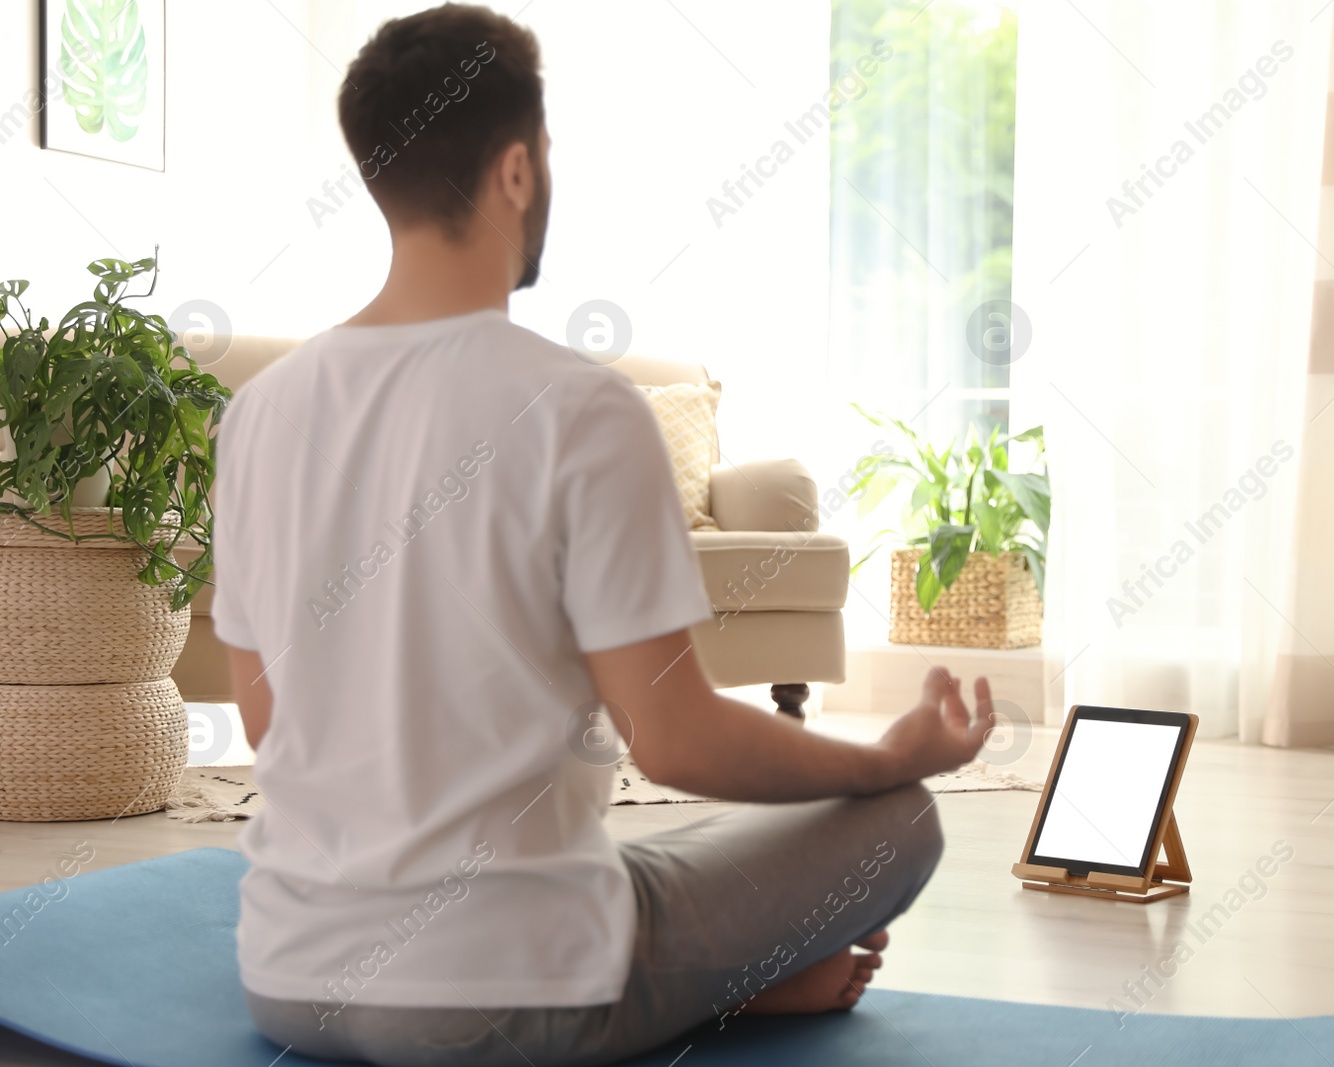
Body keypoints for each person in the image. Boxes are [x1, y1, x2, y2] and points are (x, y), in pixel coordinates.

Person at [214, 6, 993, 1065]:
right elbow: (673, 740)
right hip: (506, 998)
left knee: (647, 860)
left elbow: (274, 727)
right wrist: (885, 754)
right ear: (519, 172)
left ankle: (719, 978)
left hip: (289, 979)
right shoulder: (580, 408)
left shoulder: (259, 412)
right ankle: (716, 987)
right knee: (897, 818)